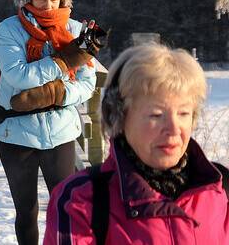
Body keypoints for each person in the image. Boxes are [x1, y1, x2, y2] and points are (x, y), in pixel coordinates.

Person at [43, 43, 229, 244]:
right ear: (119, 117)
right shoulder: (82, 200)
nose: (174, 129)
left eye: (184, 113)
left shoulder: (220, 186)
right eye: (156, 115)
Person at [0, 0, 98, 244]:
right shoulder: (9, 29)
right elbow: (18, 75)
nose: (48, 4)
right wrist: (64, 61)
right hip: (16, 132)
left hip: (60, 131)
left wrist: (58, 95)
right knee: (26, 211)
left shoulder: (76, 30)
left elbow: (88, 82)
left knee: (67, 208)